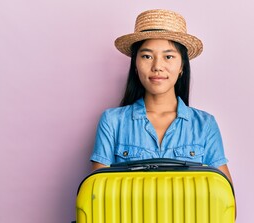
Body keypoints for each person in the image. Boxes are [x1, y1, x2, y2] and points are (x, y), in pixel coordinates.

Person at [90, 9, 233, 185]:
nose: (157, 66)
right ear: (135, 64)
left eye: (168, 56)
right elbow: (96, 196)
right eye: (147, 56)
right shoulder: (112, 121)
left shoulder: (204, 125)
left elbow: (227, 203)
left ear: (182, 66)